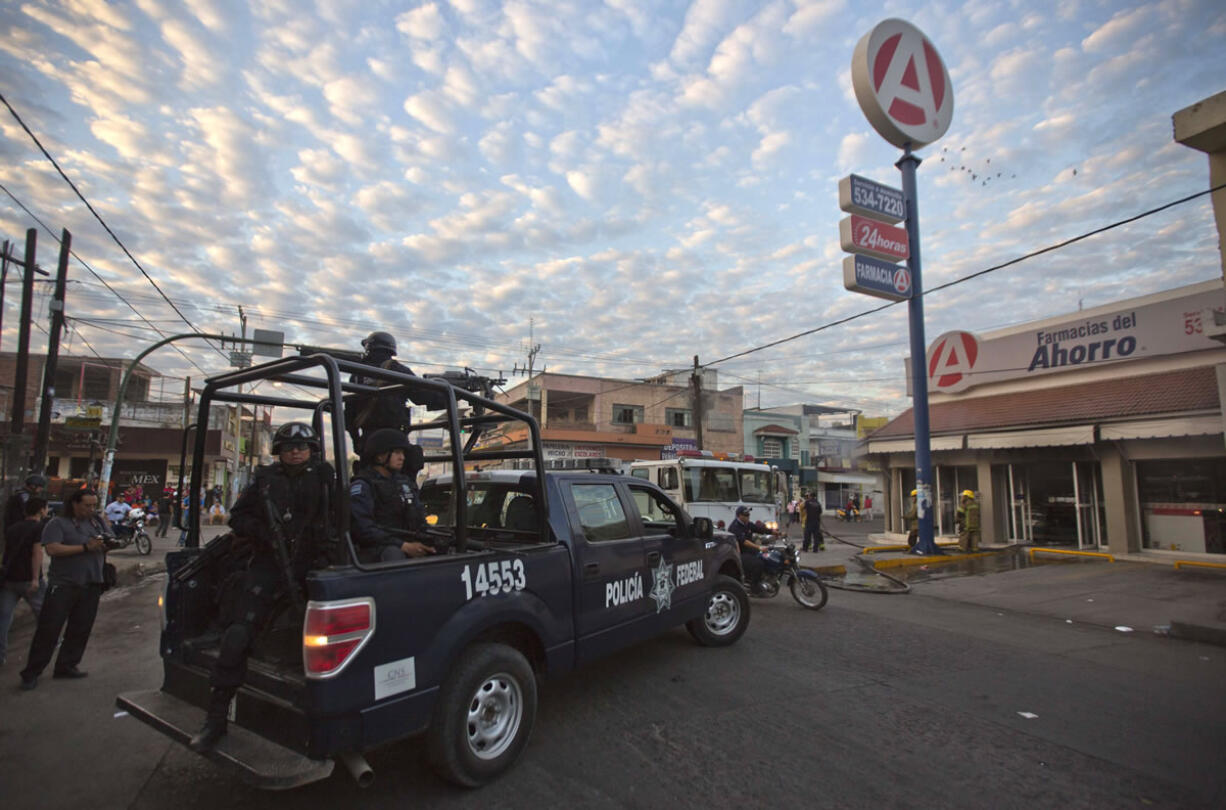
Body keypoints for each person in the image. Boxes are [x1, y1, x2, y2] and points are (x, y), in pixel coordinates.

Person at [189, 421, 335, 751]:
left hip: (312, 564)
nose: (296, 453)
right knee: (237, 634)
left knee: (325, 640)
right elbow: (237, 517)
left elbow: (340, 518)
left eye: (302, 448)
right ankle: (216, 718)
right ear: (279, 452)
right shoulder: (265, 481)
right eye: (289, 448)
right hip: (270, 563)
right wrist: (264, 532)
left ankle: (317, 721)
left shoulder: (324, 478)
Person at [19, 489, 109, 690]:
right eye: (87, 505)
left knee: (80, 628)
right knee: (49, 630)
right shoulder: (57, 524)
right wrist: (85, 547)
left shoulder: (96, 522)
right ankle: (32, 672)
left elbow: (109, 540)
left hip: (91, 583)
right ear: (75, 504)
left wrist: (108, 543)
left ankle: (67, 665)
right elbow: (52, 549)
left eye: (94, 505)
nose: (91, 509)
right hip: (64, 585)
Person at [344, 330, 448, 454]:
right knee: (414, 457)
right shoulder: (398, 370)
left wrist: (357, 441)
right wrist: (448, 395)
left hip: (368, 440)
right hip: (394, 439)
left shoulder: (357, 374)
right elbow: (422, 396)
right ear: (391, 350)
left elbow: (349, 414)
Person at [350, 428, 434, 562]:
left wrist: (431, 537)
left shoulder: (405, 483)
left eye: (403, 453)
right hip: (378, 548)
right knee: (393, 554)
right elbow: (363, 529)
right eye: (397, 452)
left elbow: (419, 518)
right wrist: (403, 546)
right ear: (380, 456)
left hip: (407, 542)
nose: (402, 457)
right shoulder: (363, 485)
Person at [0, 497, 48, 665]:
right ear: (41, 510)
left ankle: (1, 655)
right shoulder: (39, 528)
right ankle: (47, 647)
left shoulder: (12, 528)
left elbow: (6, 553)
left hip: (9, 579)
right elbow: (37, 554)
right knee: (44, 615)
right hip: (29, 579)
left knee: (4, 618)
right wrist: (35, 579)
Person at [728, 505, 769, 594]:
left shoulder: (747, 524)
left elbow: (760, 529)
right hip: (739, 554)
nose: (748, 516)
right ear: (739, 516)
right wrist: (759, 547)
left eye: (748, 514)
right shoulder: (735, 527)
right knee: (759, 564)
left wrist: (776, 532)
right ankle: (754, 586)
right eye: (745, 515)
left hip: (749, 550)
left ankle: (762, 578)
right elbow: (744, 542)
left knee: (766, 558)